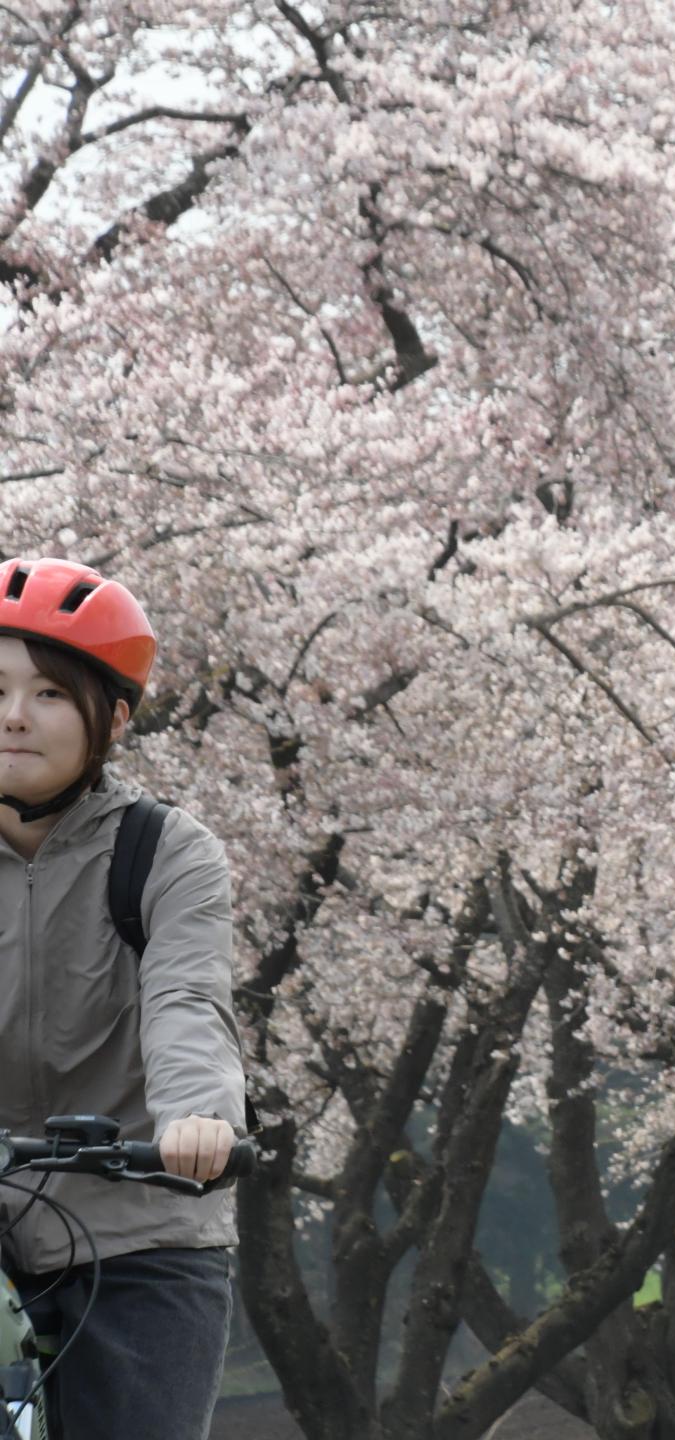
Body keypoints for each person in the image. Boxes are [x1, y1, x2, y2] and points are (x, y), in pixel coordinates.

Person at [0, 556, 246, 1438]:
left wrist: (198, 1119)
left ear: (113, 718)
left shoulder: (165, 854)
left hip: (138, 1226)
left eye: (51, 694)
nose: (15, 716)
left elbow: (186, 1001)